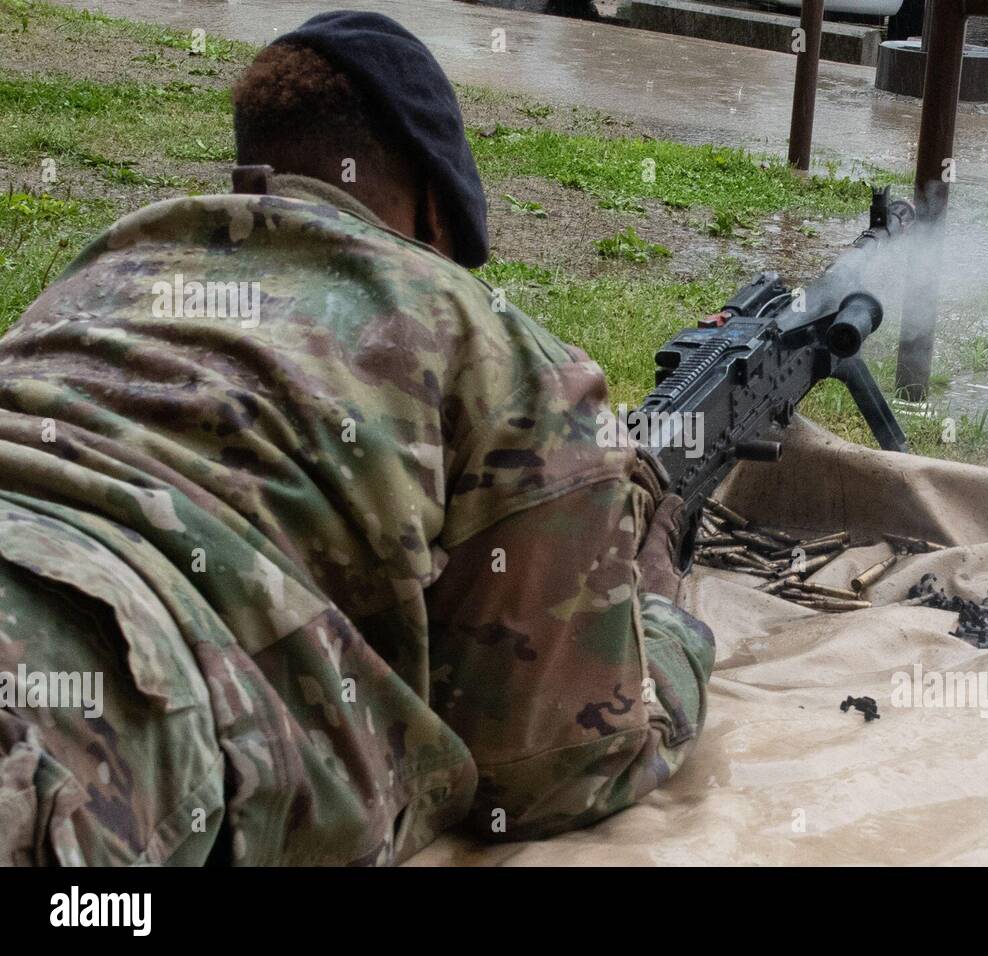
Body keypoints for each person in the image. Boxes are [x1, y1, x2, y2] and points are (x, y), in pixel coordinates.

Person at [0, 11, 714, 866]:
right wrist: (666, 624)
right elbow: (555, 770)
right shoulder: (488, 341)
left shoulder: (105, 268)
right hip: (98, 704)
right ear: (433, 212)